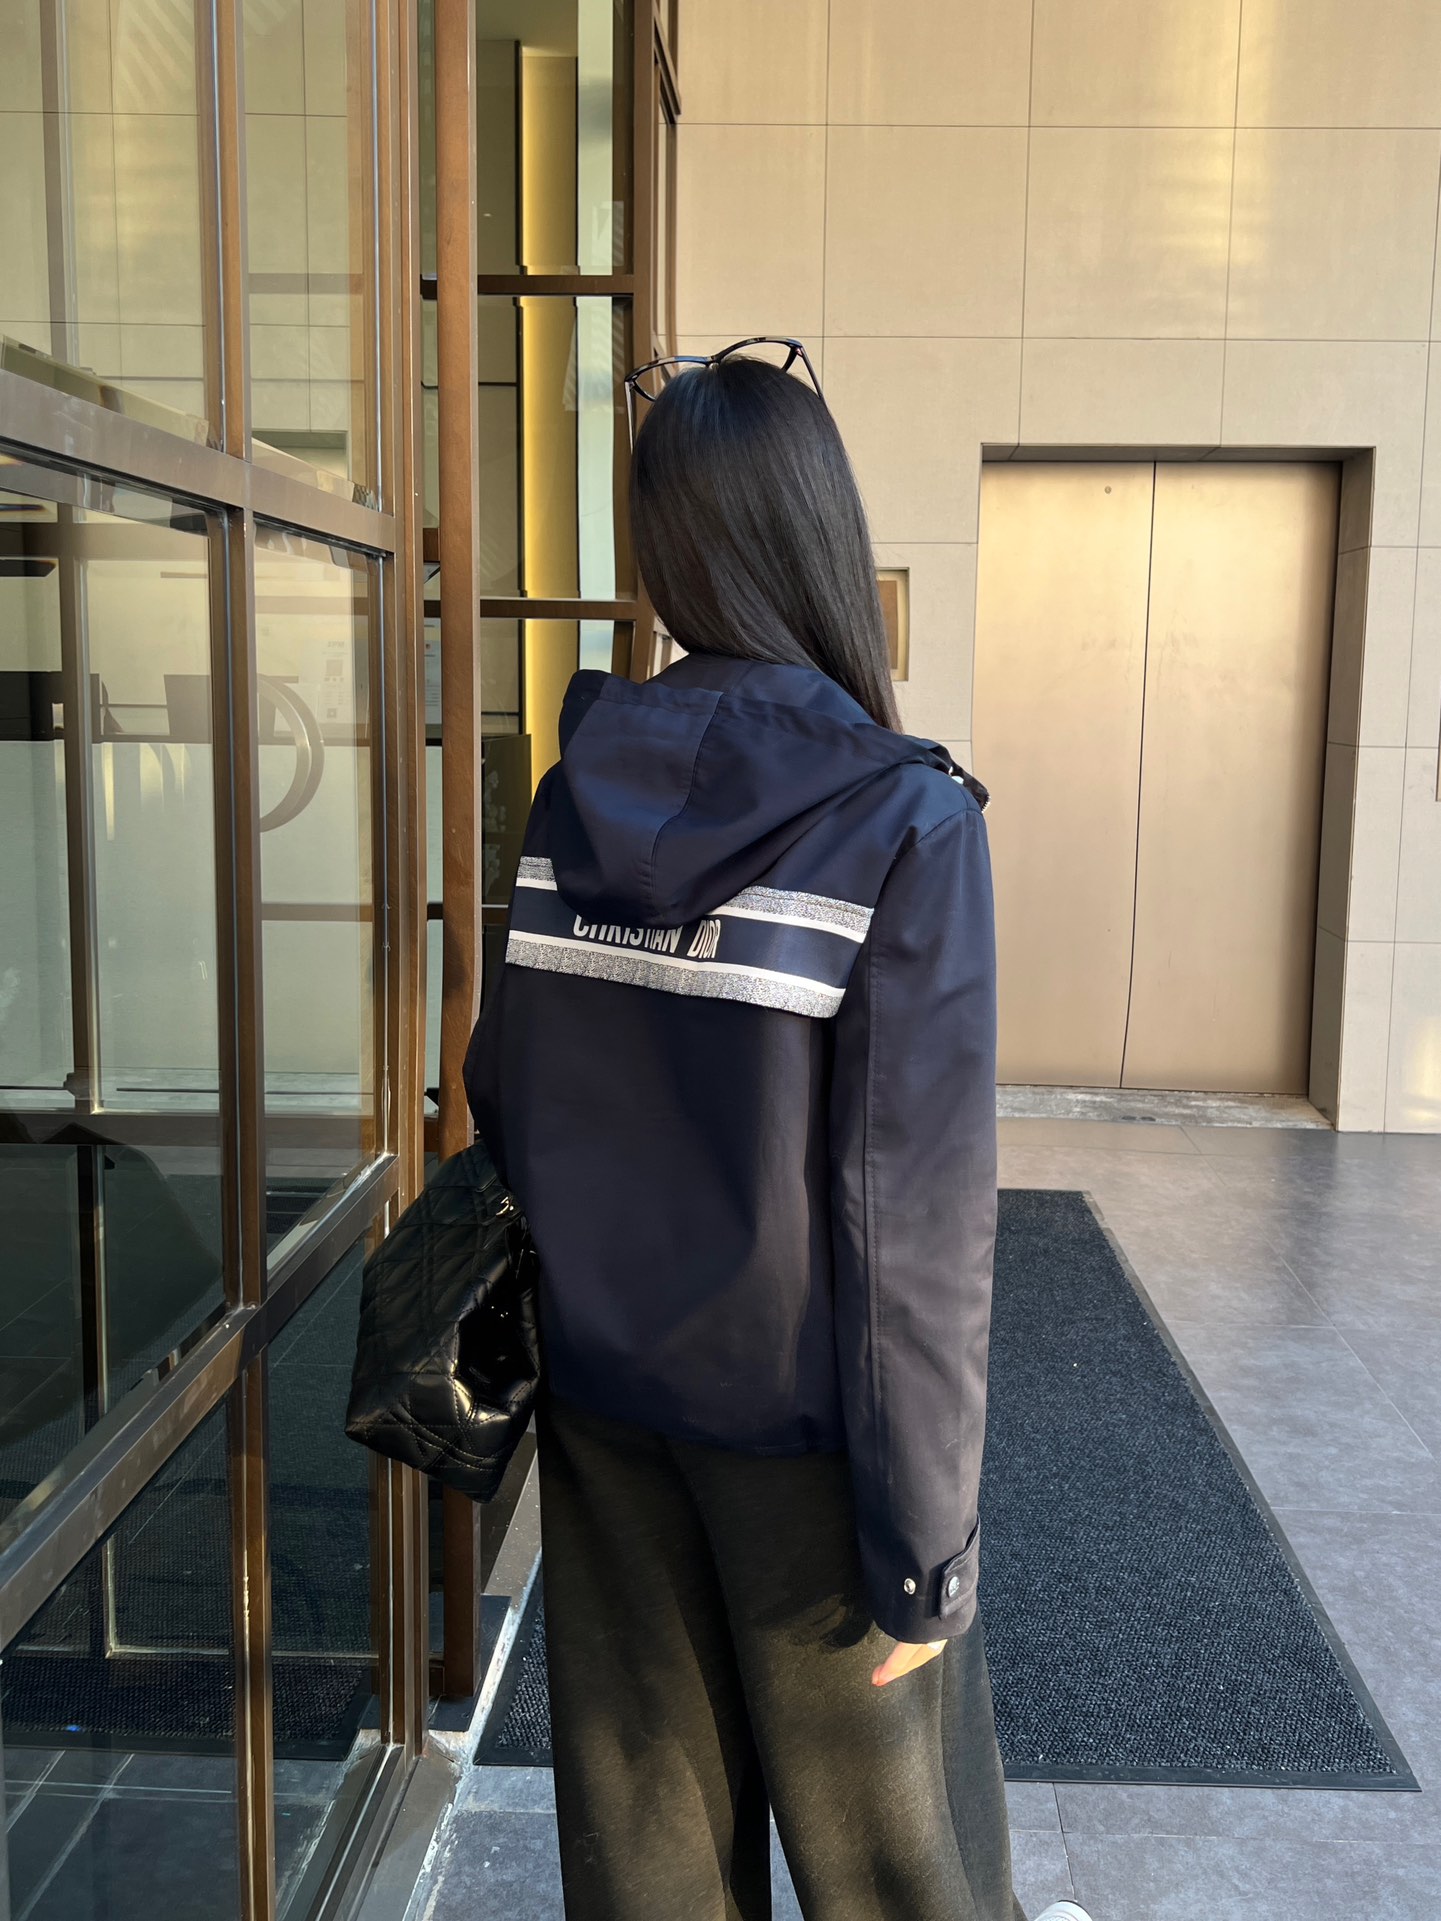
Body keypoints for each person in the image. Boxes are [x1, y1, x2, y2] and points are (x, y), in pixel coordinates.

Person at [465, 340, 1093, 1921]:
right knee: (898, 1873)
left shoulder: (569, 797)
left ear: (660, 550)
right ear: (817, 533)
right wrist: (927, 1551)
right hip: (812, 1446)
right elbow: (915, 1223)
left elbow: (504, 1088)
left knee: (650, 1865)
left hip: (604, 1409)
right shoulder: (903, 819)